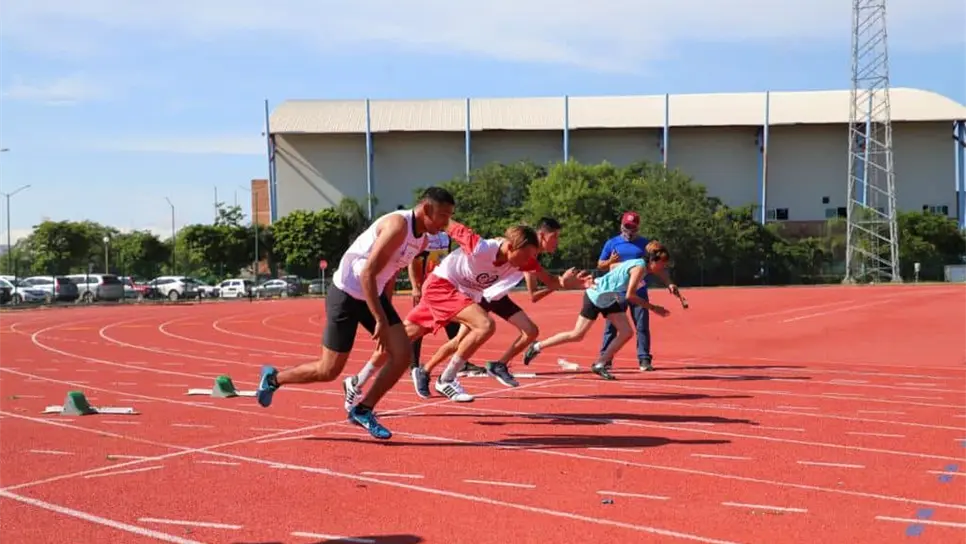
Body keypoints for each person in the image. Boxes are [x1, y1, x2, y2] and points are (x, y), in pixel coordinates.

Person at [254, 187, 456, 440]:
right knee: (329, 370)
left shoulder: (422, 239)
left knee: (402, 354)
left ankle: (363, 409)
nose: (446, 223)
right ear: (426, 209)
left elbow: (391, 272)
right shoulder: (397, 225)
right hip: (347, 293)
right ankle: (274, 378)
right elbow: (367, 273)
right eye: (443, 215)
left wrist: (386, 309)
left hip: (372, 294)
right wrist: (381, 320)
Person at [355, 221, 591, 407]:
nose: (529, 262)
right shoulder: (480, 247)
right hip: (442, 285)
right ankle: (446, 379)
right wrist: (418, 222)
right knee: (485, 325)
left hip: (463, 295)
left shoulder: (524, 261)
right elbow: (448, 223)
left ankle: (357, 380)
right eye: (526, 256)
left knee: (401, 338)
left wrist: (565, 282)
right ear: (510, 247)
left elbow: (550, 280)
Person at [411, 217, 564, 393]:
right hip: (481, 294)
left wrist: (568, 283)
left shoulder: (529, 258)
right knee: (462, 339)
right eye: (555, 236)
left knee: (531, 331)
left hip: (497, 296)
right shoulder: (499, 248)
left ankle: (498, 365)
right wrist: (424, 223)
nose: (557, 242)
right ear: (542, 235)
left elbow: (549, 283)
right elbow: (534, 293)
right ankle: (429, 372)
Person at [341, 229, 481, 411]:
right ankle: (425, 372)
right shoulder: (422, 237)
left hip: (448, 290)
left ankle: (440, 375)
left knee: (468, 330)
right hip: (433, 291)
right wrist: (416, 286)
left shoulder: (447, 238)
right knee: (400, 341)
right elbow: (412, 262)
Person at [523, 241, 672, 379]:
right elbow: (631, 295)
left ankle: (600, 364)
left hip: (608, 298)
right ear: (654, 261)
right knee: (577, 334)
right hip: (595, 295)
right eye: (662, 265)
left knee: (626, 332)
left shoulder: (639, 265)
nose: (663, 268)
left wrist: (615, 279)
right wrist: (654, 308)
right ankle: (536, 346)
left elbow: (614, 267)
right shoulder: (639, 267)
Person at [595, 211, 677, 372]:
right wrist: (610, 261)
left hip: (639, 290)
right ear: (622, 225)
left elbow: (658, 266)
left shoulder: (646, 245)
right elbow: (600, 265)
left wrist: (669, 283)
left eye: (633, 227)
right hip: (617, 292)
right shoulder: (612, 243)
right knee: (612, 326)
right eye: (627, 226)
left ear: (638, 227)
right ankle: (606, 358)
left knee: (642, 325)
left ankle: (644, 359)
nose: (629, 230)